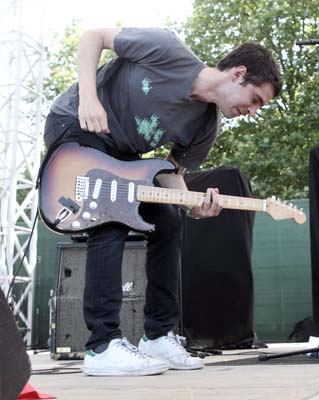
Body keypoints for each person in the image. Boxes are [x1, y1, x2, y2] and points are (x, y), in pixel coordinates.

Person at [41, 27, 282, 376]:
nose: (253, 111)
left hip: (121, 155)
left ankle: (157, 335)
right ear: (238, 74)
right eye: (256, 99)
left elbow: (170, 172)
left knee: (168, 220)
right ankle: (102, 346)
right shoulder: (166, 48)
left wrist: (191, 204)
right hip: (75, 124)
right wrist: (89, 99)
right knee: (111, 216)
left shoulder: (205, 126)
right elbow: (93, 36)